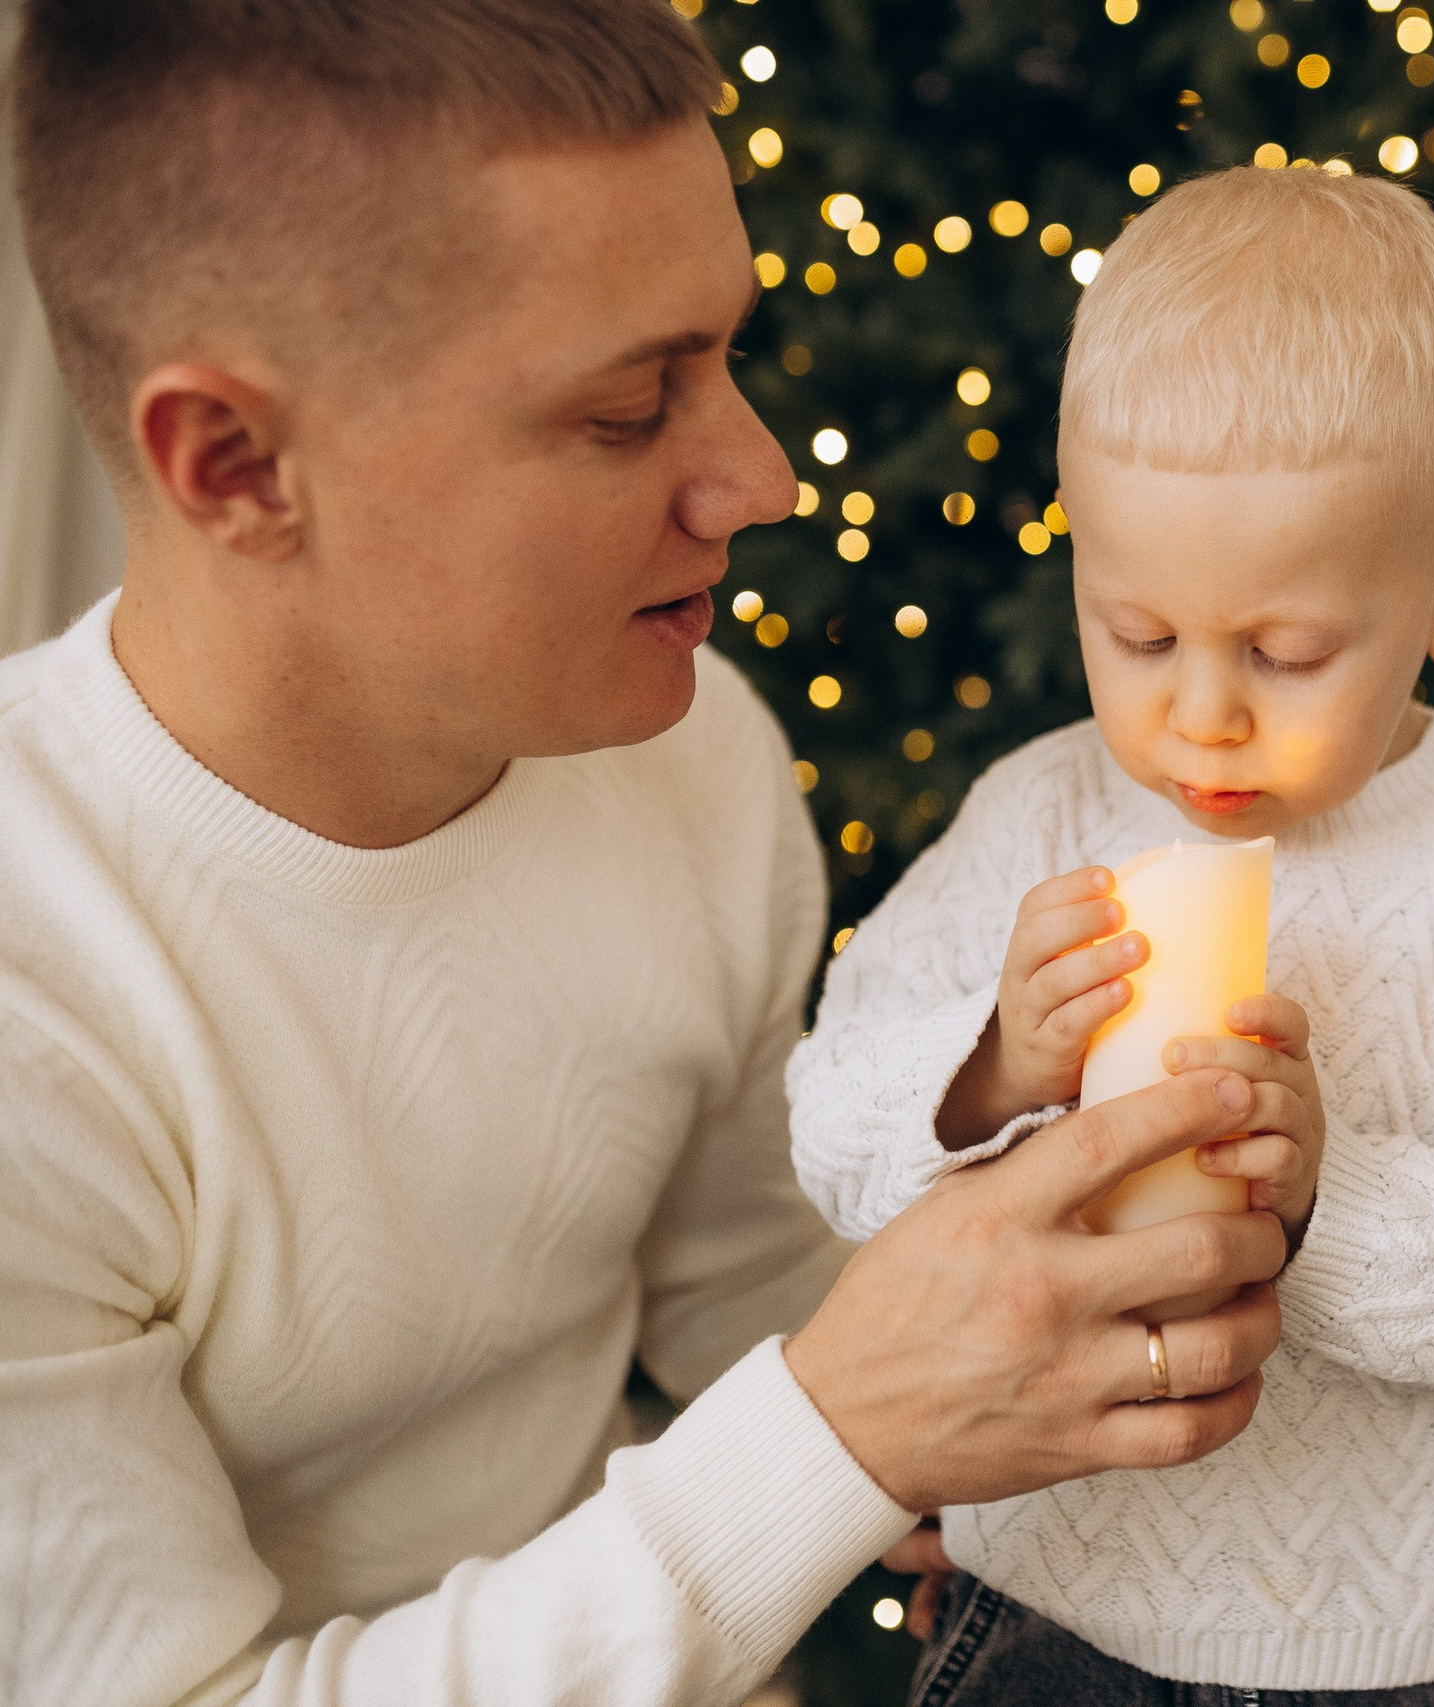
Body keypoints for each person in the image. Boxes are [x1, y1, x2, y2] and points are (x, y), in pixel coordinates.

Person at [0, 5, 1292, 1704]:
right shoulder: (36, 996)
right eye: (627, 411)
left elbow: (744, 1274)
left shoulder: (689, 753)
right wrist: (849, 1431)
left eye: (728, 354)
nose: (757, 477)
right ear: (234, 465)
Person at [785, 167, 1434, 1703]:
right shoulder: (1045, 811)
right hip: (1040, 1613)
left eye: (1284, 653)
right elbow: (828, 1107)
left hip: (1386, 1652)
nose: (1198, 713)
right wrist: (994, 1069)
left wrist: (1327, 1196)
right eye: (1136, 634)